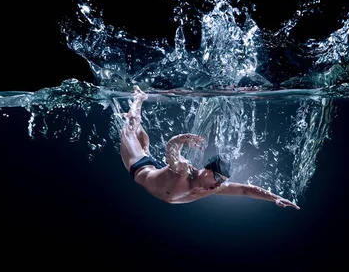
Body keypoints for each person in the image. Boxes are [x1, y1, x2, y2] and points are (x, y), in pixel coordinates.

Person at [119, 85, 300, 209]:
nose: (219, 185)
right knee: (130, 126)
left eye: (221, 181)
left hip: (153, 171)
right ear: (207, 170)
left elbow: (245, 189)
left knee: (144, 143)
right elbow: (171, 150)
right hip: (138, 166)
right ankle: (138, 99)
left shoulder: (210, 187)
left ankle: (138, 113)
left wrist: (275, 198)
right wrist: (180, 139)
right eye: (218, 179)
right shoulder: (183, 170)